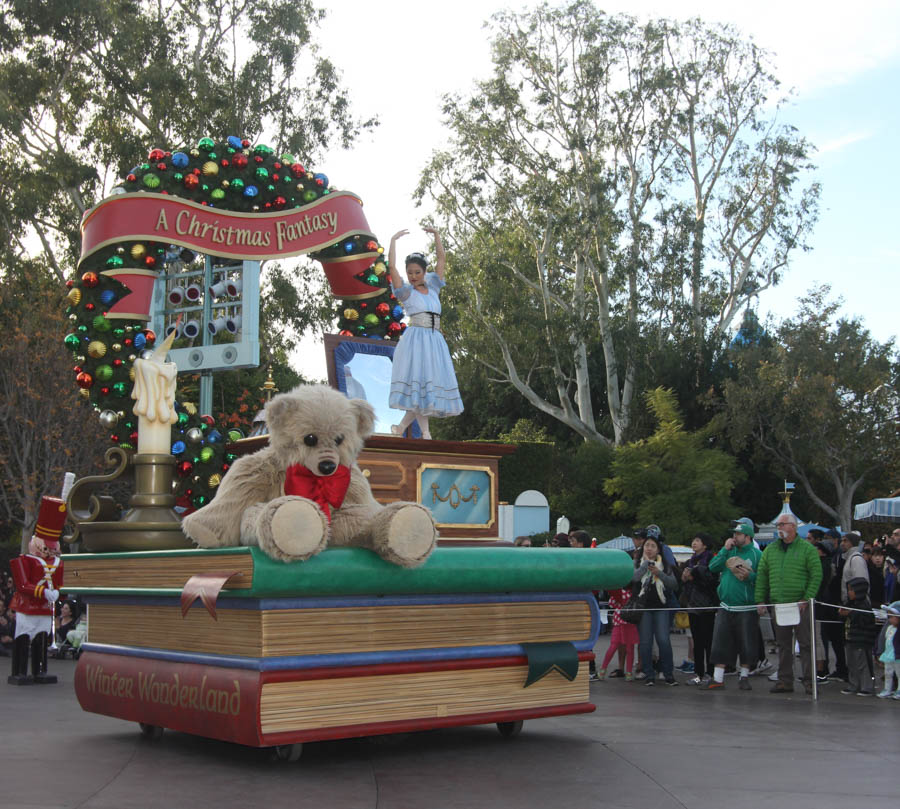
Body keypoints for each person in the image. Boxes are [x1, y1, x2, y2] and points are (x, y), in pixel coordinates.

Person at [387, 227, 463, 439]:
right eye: (410, 272)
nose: (413, 276)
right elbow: (391, 267)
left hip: (434, 340)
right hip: (417, 340)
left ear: (424, 272)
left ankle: (403, 428)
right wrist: (393, 240)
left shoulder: (434, 287)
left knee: (423, 392)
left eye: (417, 272)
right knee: (420, 387)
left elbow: (441, 258)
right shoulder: (406, 292)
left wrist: (437, 236)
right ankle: (425, 433)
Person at [755, 513, 822, 695]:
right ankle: (785, 680)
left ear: (793, 527)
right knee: (783, 645)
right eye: (778, 525)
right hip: (779, 604)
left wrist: (807, 597)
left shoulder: (807, 549)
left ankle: (809, 681)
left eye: (782, 524)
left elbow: (816, 575)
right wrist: (760, 599)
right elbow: (762, 576)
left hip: (802, 605)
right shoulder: (770, 550)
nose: (780, 528)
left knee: (806, 644)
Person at [8, 495, 66, 685]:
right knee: (23, 638)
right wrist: (43, 592)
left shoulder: (58, 562)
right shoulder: (23, 560)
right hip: (27, 606)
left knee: (42, 639)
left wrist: (59, 593)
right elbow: (23, 585)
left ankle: (40, 671)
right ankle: (19, 671)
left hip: (44, 607)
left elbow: (60, 584)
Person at [706, 521, 761, 691]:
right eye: (734, 534)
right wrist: (724, 550)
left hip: (746, 607)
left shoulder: (757, 555)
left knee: (746, 642)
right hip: (726, 605)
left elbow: (764, 579)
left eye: (738, 534)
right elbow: (713, 567)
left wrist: (751, 577)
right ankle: (717, 678)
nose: (734, 537)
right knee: (720, 642)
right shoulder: (730, 551)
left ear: (748, 536)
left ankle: (744, 676)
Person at [632, 535, 678, 686]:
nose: (649, 548)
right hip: (643, 608)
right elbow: (633, 578)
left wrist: (660, 573)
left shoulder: (664, 564)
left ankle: (668, 673)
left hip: (661, 607)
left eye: (652, 546)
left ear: (658, 549)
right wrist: (645, 566)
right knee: (645, 642)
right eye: (647, 545)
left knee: (663, 640)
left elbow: (673, 584)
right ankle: (648, 674)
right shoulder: (636, 562)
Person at [681, 532, 719, 685]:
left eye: (698, 540)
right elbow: (687, 582)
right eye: (693, 540)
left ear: (705, 544)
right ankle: (698, 673)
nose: (694, 543)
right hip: (693, 605)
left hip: (707, 606)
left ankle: (710, 672)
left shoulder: (711, 559)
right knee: (696, 640)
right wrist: (684, 579)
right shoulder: (691, 560)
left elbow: (712, 581)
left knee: (708, 641)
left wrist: (694, 578)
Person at [839, 577, 878, 697]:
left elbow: (864, 620)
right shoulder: (851, 604)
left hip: (861, 640)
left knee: (863, 664)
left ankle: (867, 686)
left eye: (852, 590)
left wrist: (850, 614)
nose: (849, 592)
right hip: (850, 639)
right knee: (851, 664)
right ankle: (854, 685)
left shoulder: (864, 606)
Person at [596, 586, 639, 681]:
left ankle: (603, 670)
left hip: (618, 622)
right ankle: (629, 673)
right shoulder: (633, 593)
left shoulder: (619, 593)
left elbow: (611, 604)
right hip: (630, 622)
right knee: (630, 648)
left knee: (613, 646)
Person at [875, 601, 900, 698]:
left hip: (898, 655)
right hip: (888, 654)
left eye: (892, 617)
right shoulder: (889, 628)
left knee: (899, 673)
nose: (890, 619)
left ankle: (899, 690)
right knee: (888, 673)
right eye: (889, 617)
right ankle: (887, 689)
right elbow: (883, 639)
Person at [840, 531, 869, 604]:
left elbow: (861, 585)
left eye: (845, 541)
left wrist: (853, 604)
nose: (842, 544)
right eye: (842, 541)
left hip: (856, 604)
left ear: (852, 542)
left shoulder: (856, 559)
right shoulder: (849, 558)